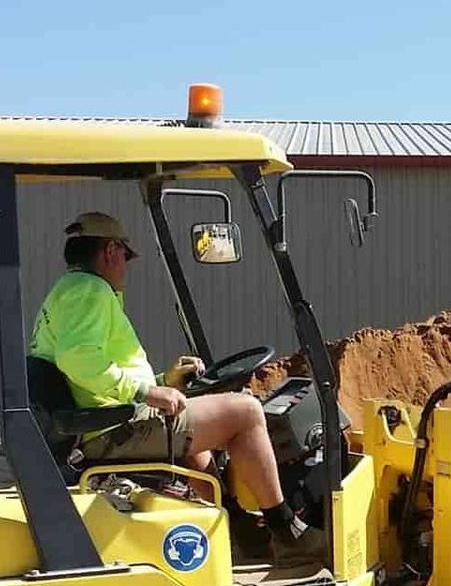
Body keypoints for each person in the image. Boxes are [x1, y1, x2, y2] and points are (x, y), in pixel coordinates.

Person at [29, 212, 322, 561]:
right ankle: (285, 529)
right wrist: (146, 394)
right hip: (111, 428)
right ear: (110, 250)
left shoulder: (66, 293)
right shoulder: (90, 291)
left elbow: (91, 375)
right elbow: (78, 359)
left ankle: (234, 526)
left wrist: (163, 382)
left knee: (189, 420)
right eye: (126, 255)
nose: (126, 264)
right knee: (246, 412)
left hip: (100, 420)